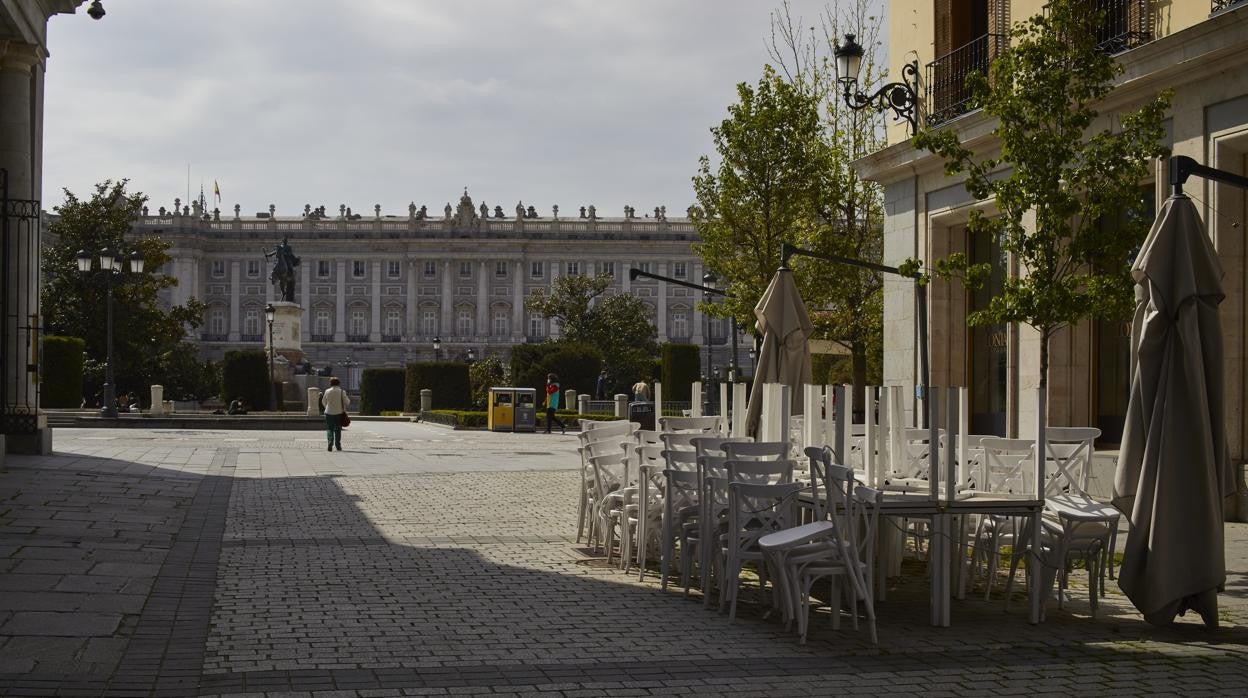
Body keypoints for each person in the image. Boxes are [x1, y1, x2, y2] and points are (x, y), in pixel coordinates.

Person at [322, 377, 350, 451]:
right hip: (339, 413)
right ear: (339, 383)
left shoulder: (327, 391)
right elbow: (347, 402)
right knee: (337, 429)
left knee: (329, 429)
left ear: (330, 383)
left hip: (328, 413)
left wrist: (327, 407)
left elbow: (323, 402)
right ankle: (338, 445)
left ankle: (330, 442)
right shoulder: (341, 391)